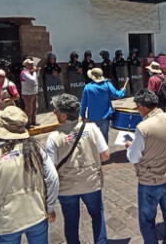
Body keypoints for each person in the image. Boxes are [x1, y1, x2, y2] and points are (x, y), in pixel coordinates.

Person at [0, 106, 59, 244]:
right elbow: (53, 178)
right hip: (37, 214)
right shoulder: (36, 148)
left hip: (6, 223)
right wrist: (49, 207)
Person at [46, 94, 110, 244]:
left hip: (67, 188)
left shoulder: (53, 137)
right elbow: (105, 155)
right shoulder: (92, 128)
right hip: (91, 183)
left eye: (55, 111)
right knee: (97, 217)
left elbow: (50, 169)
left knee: (71, 222)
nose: (54, 113)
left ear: (63, 115)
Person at [125, 90, 166, 244]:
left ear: (142, 107)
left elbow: (133, 157)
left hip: (150, 181)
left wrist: (130, 146)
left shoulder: (143, 127)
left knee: (147, 220)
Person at [80, 68, 126, 143]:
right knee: (104, 137)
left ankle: (96, 153)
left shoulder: (87, 87)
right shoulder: (107, 84)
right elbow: (117, 95)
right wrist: (122, 91)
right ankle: (105, 153)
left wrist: (82, 115)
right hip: (105, 116)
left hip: (92, 117)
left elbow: (83, 103)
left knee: (95, 137)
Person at [20, 58, 40, 128]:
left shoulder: (31, 72)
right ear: (26, 65)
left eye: (32, 64)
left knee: (35, 107)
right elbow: (33, 81)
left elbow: (37, 78)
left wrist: (36, 72)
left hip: (34, 92)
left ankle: (33, 121)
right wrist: (34, 72)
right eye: (30, 64)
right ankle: (27, 123)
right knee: (29, 109)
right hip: (27, 94)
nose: (32, 65)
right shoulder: (24, 73)